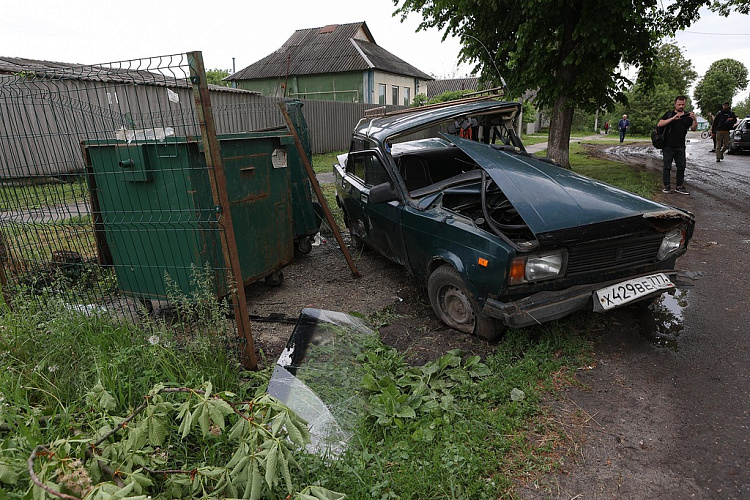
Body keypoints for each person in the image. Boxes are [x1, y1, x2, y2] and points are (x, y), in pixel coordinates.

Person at [658, 95, 697, 195]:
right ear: (675, 104)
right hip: (668, 145)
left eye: (683, 104)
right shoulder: (669, 114)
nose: (681, 106)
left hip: (680, 145)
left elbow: (693, 128)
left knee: (681, 166)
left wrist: (694, 119)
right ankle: (667, 186)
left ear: (685, 104)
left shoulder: (687, 116)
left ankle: (679, 186)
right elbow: (660, 124)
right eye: (679, 104)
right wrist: (673, 118)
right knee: (667, 166)